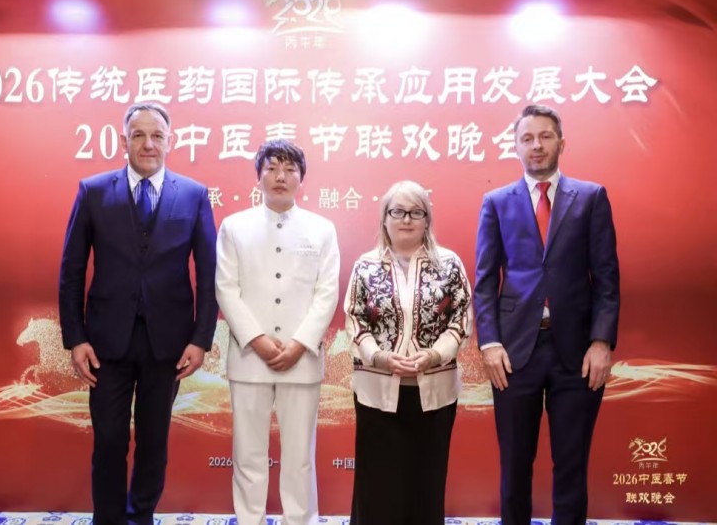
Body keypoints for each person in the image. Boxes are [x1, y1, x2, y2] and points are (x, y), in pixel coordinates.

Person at [58, 102, 218, 525]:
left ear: (170, 141)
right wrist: (76, 338)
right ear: (123, 140)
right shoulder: (93, 191)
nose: (148, 144)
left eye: (157, 136)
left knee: (153, 443)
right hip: (105, 343)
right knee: (109, 440)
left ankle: (140, 516)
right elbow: (72, 270)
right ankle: (109, 519)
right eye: (139, 135)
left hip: (168, 345)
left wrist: (201, 339)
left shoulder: (193, 194)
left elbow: (208, 274)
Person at [474, 104, 620, 525]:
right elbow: (485, 281)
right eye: (527, 138)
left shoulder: (590, 197)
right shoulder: (496, 202)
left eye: (544, 136)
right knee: (514, 464)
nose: (536, 145)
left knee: (572, 465)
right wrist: (489, 342)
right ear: (516, 146)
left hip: (577, 353)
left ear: (561, 143)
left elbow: (606, 278)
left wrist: (601, 342)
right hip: (514, 353)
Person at [215, 139, 340, 525]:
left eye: (289, 169)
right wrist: (258, 340)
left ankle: (299, 520)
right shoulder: (234, 226)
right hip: (249, 358)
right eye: (271, 168)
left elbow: (327, 292)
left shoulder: (322, 229)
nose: (280, 177)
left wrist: (300, 343)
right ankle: (249, 519)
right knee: (248, 453)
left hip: (302, 359)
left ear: (302, 178)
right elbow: (226, 288)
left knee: (299, 456)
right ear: (258, 177)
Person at [343, 180, 472, 525]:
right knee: (377, 486)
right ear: (384, 218)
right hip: (377, 393)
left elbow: (460, 320)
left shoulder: (449, 264)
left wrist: (434, 355)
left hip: (434, 393)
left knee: (425, 484)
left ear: (427, 220)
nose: (406, 219)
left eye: (416, 212)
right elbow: (354, 320)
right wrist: (378, 357)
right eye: (397, 211)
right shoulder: (366, 266)